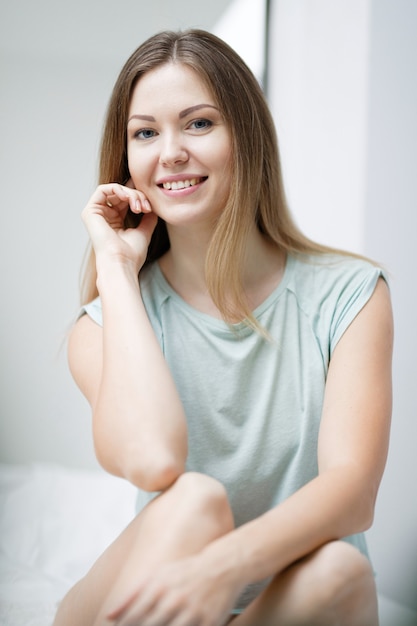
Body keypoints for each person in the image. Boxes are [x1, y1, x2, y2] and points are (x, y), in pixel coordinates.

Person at [53, 28, 393, 626]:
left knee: (343, 571)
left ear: (247, 136)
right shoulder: (103, 326)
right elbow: (155, 460)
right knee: (194, 502)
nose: (172, 152)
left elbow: (354, 491)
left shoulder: (349, 294)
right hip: (154, 597)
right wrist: (116, 270)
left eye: (200, 123)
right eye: (146, 132)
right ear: (127, 161)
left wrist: (223, 568)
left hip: (272, 604)